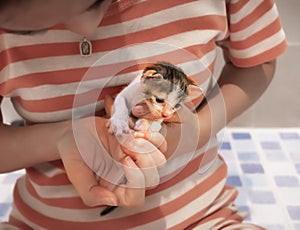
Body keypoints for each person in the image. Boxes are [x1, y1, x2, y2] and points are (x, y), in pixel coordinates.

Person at [0, 0, 287, 229]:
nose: (87, 28)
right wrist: (62, 138)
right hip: (46, 222)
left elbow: (258, 63)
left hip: (201, 216)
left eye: (94, 3)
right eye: (31, 30)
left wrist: (196, 130)